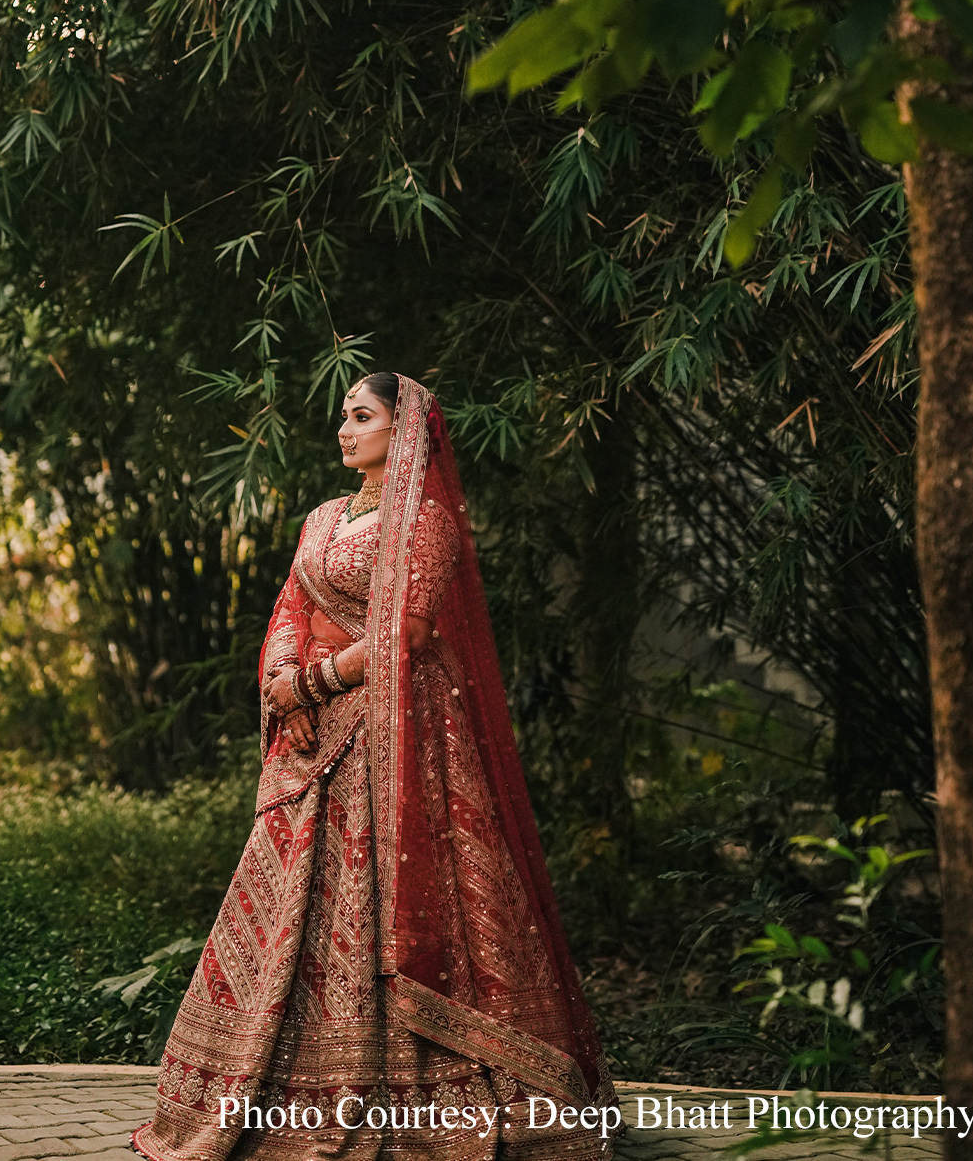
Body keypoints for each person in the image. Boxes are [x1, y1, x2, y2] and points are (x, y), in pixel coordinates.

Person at [132, 373, 616, 1160]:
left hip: (398, 731)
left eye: (362, 416)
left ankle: (433, 1092)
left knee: (397, 893)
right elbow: (290, 604)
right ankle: (278, 1089)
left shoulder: (426, 522)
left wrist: (318, 681)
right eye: (343, 418)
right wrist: (286, 682)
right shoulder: (323, 516)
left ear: (407, 429)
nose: (344, 431)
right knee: (294, 892)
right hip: (314, 732)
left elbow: (408, 632)